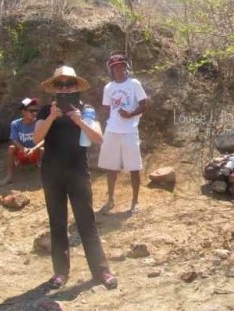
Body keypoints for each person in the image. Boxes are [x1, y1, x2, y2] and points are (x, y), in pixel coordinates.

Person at [34, 65, 117, 290]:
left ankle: (102, 272)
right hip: (52, 173)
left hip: (78, 172)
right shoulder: (44, 111)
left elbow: (98, 138)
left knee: (86, 222)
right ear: (54, 88)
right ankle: (60, 272)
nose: (64, 88)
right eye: (59, 84)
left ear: (75, 86)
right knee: (57, 223)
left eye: (68, 83)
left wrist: (80, 121)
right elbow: (36, 137)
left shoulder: (87, 109)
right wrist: (52, 116)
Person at [98, 53, 148, 215]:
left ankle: (135, 201)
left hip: (129, 131)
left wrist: (131, 114)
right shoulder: (109, 88)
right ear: (111, 69)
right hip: (112, 131)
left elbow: (144, 105)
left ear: (126, 67)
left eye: (121, 66)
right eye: (115, 67)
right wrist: (115, 120)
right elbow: (108, 108)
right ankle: (110, 199)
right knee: (111, 168)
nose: (119, 69)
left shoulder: (134, 84)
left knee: (134, 168)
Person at [0, 98, 44, 186]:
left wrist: (34, 149)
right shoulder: (16, 124)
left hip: (35, 153)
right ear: (23, 112)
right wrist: (23, 149)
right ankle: (9, 176)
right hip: (22, 153)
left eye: (36, 110)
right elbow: (14, 140)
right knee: (11, 148)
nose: (34, 113)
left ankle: (43, 177)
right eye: (31, 111)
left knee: (43, 149)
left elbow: (44, 139)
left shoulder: (39, 122)